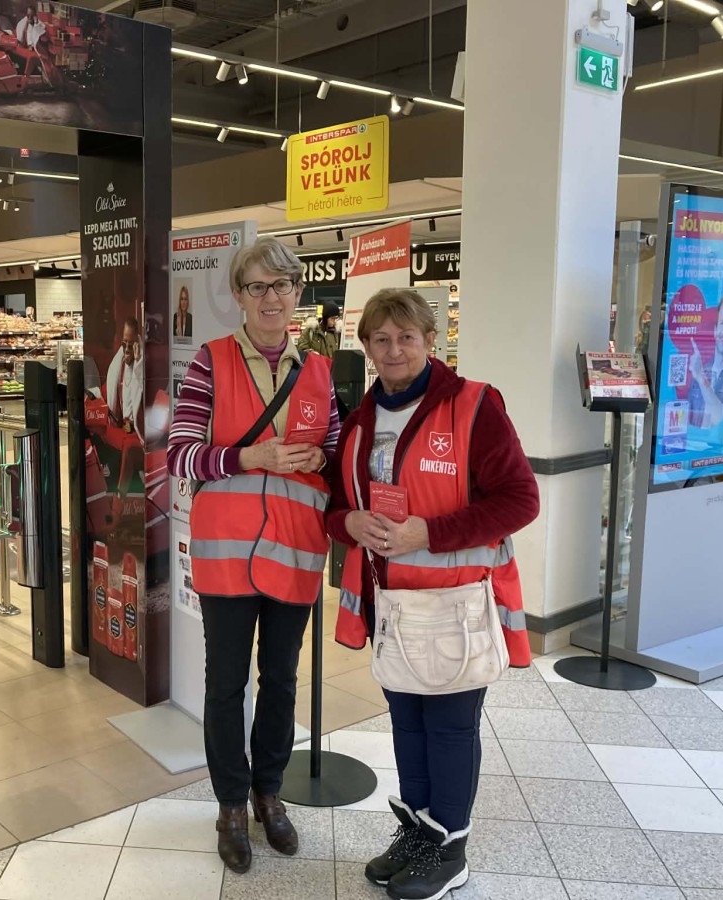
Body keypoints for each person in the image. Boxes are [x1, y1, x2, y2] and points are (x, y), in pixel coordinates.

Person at [325, 289, 538, 900]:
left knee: (448, 728)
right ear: (367, 347)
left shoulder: (474, 406)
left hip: (455, 604)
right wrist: (349, 523)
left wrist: (429, 533)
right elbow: (336, 506)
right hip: (391, 606)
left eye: (406, 337)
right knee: (408, 726)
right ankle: (420, 833)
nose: (394, 350)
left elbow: (520, 500)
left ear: (430, 341)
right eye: (382, 339)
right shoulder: (361, 421)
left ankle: (451, 848)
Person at [167, 237, 341, 874]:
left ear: (298, 293)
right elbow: (181, 454)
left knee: (282, 682)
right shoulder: (211, 362)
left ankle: (270, 794)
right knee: (226, 684)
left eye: (283, 285)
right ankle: (231, 806)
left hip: (295, 549)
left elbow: (336, 451)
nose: (272, 298)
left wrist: (321, 456)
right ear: (239, 296)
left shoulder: (318, 370)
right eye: (258, 287)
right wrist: (249, 457)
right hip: (227, 552)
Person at [688, 295, 723, 430]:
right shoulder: (701, 369)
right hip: (694, 441)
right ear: (715, 330)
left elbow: (719, 418)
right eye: (722, 323)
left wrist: (701, 379)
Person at [13, 5, 46, 83]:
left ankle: (25, 80)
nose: (30, 18)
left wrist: (36, 25)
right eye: (28, 16)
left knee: (31, 57)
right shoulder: (22, 24)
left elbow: (42, 39)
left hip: (38, 51)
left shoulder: (40, 25)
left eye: (32, 16)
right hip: (26, 48)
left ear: (36, 15)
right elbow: (20, 40)